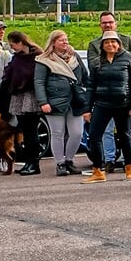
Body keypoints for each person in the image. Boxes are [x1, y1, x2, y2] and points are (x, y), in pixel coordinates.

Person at [82, 33, 131, 183]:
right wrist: (86, 109)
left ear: (119, 44)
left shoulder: (129, 59)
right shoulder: (96, 62)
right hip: (101, 103)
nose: (110, 45)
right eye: (107, 42)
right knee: (94, 137)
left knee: (125, 136)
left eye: (114, 42)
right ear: (102, 45)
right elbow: (90, 86)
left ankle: (129, 169)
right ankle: (98, 171)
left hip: (123, 104)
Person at [35, 30, 91, 175]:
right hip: (55, 101)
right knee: (57, 133)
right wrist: (43, 102)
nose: (65, 42)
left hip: (75, 100)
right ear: (53, 43)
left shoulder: (74, 57)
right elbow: (39, 82)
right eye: (61, 40)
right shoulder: (44, 60)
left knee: (77, 133)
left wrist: (89, 95)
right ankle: (60, 163)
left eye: (66, 39)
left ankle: (69, 160)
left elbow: (85, 77)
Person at [3, 31, 43, 175]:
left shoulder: (37, 56)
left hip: (31, 96)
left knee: (32, 132)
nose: (12, 48)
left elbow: (37, 76)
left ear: (20, 42)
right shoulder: (17, 58)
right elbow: (11, 74)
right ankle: (28, 162)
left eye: (13, 44)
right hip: (18, 97)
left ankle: (35, 163)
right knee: (24, 132)